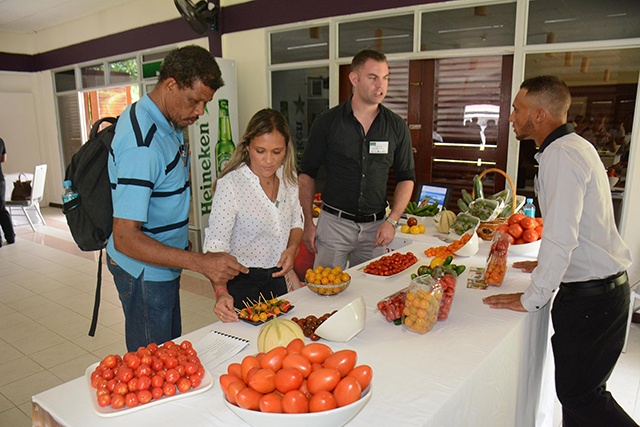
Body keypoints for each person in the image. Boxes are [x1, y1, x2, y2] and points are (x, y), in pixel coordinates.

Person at [483, 76, 636, 427]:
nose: (511, 117)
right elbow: (581, 228)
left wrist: (531, 297)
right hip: (602, 291)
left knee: (580, 396)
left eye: (516, 109)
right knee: (581, 396)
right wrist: (548, 265)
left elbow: (562, 237)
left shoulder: (560, 156)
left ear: (538, 114)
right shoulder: (573, 147)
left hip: (592, 301)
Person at [107, 45, 248, 351]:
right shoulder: (142, 144)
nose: (199, 112)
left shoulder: (166, 120)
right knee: (153, 365)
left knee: (169, 350)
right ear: (170, 85)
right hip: (143, 271)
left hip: (163, 264)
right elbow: (124, 237)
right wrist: (200, 262)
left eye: (205, 103)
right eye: (195, 101)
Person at [298, 49, 415, 270]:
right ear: (354, 78)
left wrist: (393, 221)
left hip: (376, 228)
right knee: (326, 293)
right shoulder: (327, 122)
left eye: (385, 78)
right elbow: (307, 175)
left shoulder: (396, 127)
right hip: (334, 225)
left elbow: (406, 178)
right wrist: (307, 222)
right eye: (373, 78)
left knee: (370, 294)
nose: (381, 86)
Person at [203, 109, 303, 322]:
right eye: (260, 151)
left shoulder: (289, 178)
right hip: (241, 282)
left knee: (282, 339)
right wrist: (221, 292)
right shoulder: (231, 185)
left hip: (278, 279)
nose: (269, 160)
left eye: (277, 152)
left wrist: (292, 249)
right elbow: (216, 247)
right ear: (248, 147)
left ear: (286, 150)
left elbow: (297, 221)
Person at [0, 137, 16, 247]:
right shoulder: (0, 141)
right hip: (0, 180)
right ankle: (10, 237)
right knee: (2, 209)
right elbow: (3, 159)